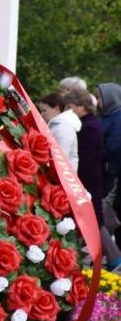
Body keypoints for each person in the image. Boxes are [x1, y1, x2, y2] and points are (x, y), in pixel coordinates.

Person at [66, 87, 105, 226]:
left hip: (88, 180)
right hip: (91, 178)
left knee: (91, 222)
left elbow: (87, 158)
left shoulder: (88, 126)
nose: (68, 111)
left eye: (70, 107)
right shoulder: (89, 122)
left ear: (81, 106)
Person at [37, 91, 81, 168]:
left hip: (63, 173)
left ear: (56, 109)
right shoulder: (58, 126)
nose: (41, 115)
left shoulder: (63, 129)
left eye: (44, 111)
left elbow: (60, 158)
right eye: (41, 111)